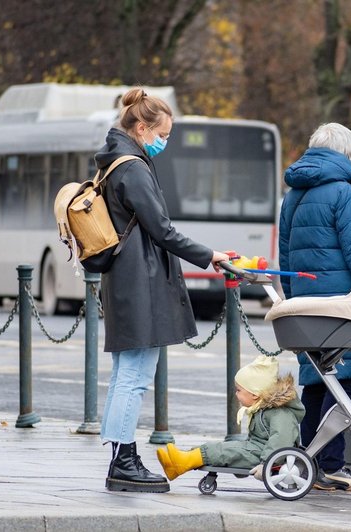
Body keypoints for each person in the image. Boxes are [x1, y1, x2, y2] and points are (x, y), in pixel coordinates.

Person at [96, 87, 231, 493]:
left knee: (126, 374)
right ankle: (123, 460)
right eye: (162, 135)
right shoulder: (133, 168)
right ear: (140, 127)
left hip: (125, 279)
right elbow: (162, 229)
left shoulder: (113, 162)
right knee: (134, 377)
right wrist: (209, 255)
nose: (164, 142)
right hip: (141, 283)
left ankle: (121, 457)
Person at [278, 122, 351, 491]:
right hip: (342, 303)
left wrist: (293, 299)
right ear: (345, 154)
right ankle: (330, 462)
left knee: (318, 383)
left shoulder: (293, 195)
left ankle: (310, 462)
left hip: (306, 302)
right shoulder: (343, 192)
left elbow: (285, 254)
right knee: (343, 381)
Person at [155, 355, 304, 479]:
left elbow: (281, 440)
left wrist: (266, 463)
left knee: (224, 451)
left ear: (255, 394)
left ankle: (182, 463)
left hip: (265, 456)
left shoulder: (280, 413)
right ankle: (179, 462)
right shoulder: (263, 409)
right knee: (221, 447)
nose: (236, 394)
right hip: (257, 450)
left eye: (239, 390)